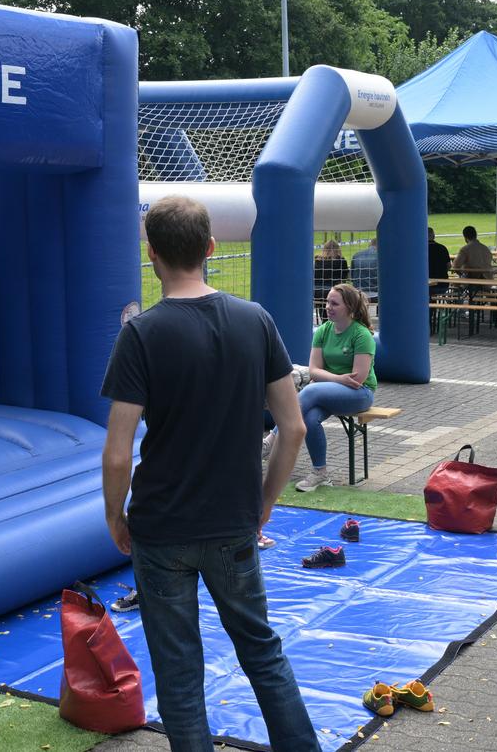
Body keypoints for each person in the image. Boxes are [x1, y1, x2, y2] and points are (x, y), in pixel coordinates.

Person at [100, 196, 317, 752]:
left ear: (152, 255)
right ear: (212, 249)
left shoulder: (141, 335)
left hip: (163, 526)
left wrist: (114, 515)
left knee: (178, 671)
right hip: (232, 522)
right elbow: (291, 428)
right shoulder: (255, 320)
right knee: (261, 650)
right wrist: (265, 500)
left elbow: (119, 452)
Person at [261, 283, 377, 493]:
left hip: (360, 394)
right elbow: (314, 371)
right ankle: (320, 473)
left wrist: (331, 380)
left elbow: (357, 379)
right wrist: (337, 379)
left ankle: (271, 439)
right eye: (327, 302)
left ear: (349, 308)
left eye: (334, 303)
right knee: (309, 417)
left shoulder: (361, 335)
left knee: (311, 391)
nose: (328, 307)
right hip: (330, 390)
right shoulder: (323, 331)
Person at [313, 240, 350, 319]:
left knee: (323, 299)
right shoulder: (341, 261)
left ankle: (324, 320)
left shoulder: (317, 261)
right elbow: (344, 277)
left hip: (316, 293)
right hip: (334, 293)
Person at [425, 228, 451, 297]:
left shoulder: (420, 250)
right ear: (434, 236)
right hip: (443, 285)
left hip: (424, 286)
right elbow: (449, 266)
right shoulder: (442, 248)